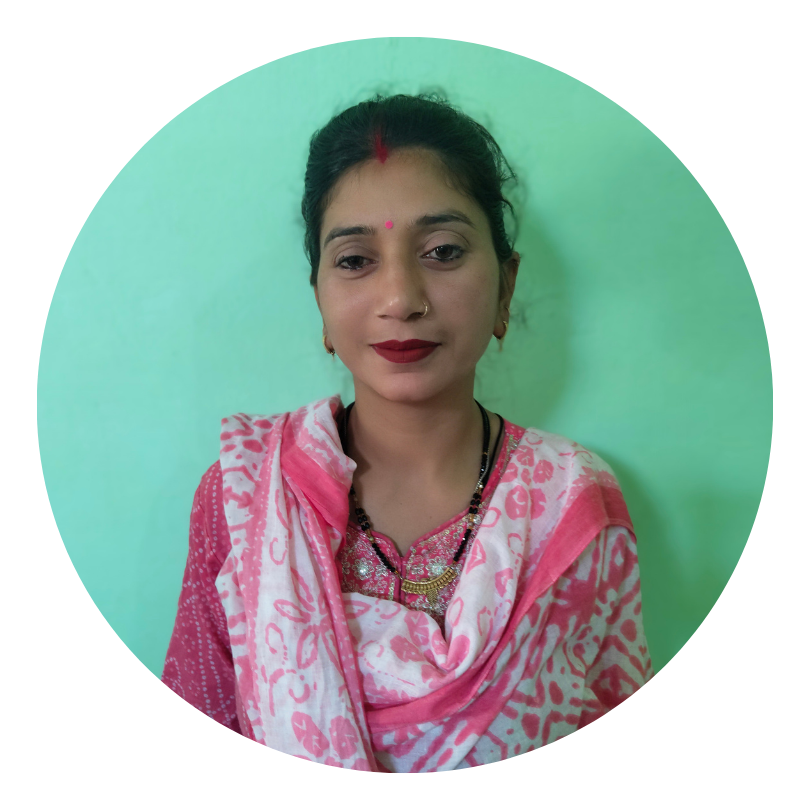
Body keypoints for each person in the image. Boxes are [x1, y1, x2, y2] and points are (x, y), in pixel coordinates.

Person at [161, 92, 654, 771]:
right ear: (320, 300)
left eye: (443, 251)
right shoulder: (244, 499)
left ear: (506, 287)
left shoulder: (576, 502)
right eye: (355, 260)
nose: (401, 299)